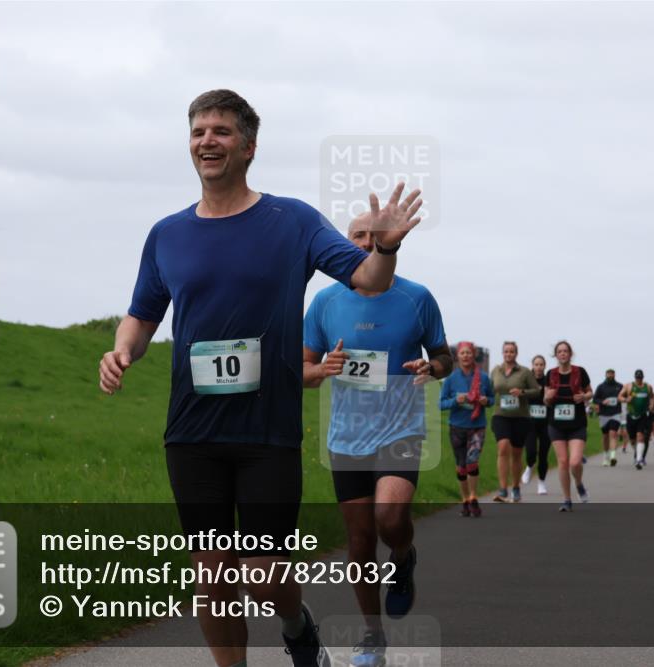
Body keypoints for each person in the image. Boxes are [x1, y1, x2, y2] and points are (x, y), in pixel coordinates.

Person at [98, 89, 423, 667]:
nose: (207, 141)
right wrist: (121, 350)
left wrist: (388, 249)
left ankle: (297, 627)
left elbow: (367, 278)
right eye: (198, 132)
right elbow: (143, 314)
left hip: (266, 433)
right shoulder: (167, 234)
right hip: (192, 430)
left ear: (248, 147)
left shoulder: (291, 220)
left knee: (263, 575)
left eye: (220, 131)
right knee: (213, 578)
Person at [302, 212, 451, 667]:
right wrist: (321, 370)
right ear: (344, 243)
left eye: (374, 235)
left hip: (401, 429)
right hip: (347, 439)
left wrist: (432, 368)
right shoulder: (325, 301)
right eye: (357, 235)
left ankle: (403, 556)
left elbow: (443, 356)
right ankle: (372, 634)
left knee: (390, 517)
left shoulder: (416, 298)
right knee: (361, 541)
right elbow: (302, 371)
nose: (367, 242)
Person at [440, 341, 494, 517]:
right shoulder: (451, 379)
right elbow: (441, 404)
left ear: (474, 355)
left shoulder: (484, 378)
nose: (465, 356)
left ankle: (473, 497)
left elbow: (492, 399)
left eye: (468, 353)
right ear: (457, 356)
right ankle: (464, 499)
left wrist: (486, 401)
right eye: (462, 353)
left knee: (472, 462)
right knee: (461, 466)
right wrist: (456, 400)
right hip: (457, 427)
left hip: (477, 427)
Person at [544, 341, 593, 512]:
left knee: (575, 461)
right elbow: (545, 399)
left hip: (577, 423)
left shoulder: (580, 372)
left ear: (570, 354)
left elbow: (590, 392)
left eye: (566, 351)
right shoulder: (550, 374)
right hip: (556, 424)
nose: (563, 354)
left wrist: (584, 397)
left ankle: (579, 484)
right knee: (563, 461)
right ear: (556, 355)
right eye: (560, 351)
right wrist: (548, 397)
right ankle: (566, 499)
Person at [489, 342, 542, 503]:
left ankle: (516, 487)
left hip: (520, 417)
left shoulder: (525, 372)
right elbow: (490, 390)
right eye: (506, 351)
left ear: (516, 354)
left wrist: (522, 392)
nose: (509, 354)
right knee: (503, 447)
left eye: (512, 351)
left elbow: (537, 391)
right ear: (502, 353)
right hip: (500, 415)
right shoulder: (495, 371)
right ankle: (503, 489)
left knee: (517, 454)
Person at [522, 355, 552, 495]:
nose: (539, 367)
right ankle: (529, 466)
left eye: (541, 364)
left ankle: (541, 483)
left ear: (544, 366)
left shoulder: (549, 381)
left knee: (544, 454)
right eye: (536, 364)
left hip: (546, 423)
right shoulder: (527, 380)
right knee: (531, 451)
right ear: (532, 366)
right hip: (530, 422)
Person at [619, 370, 654, 470]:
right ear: (635, 378)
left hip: (642, 415)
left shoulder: (647, 387)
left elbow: (652, 397)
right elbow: (620, 396)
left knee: (640, 436)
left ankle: (639, 460)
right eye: (637, 378)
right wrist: (626, 400)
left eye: (640, 378)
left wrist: (651, 405)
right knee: (632, 439)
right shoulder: (629, 386)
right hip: (630, 415)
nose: (639, 379)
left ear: (643, 378)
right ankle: (637, 452)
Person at [592, 368, 623, 466]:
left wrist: (623, 399)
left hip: (616, 414)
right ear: (605, 375)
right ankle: (606, 456)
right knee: (605, 436)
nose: (610, 375)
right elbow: (595, 399)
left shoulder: (620, 386)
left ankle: (613, 456)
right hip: (604, 415)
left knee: (613, 434)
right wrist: (602, 402)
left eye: (612, 374)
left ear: (614, 375)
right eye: (608, 374)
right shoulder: (601, 387)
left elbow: (625, 396)